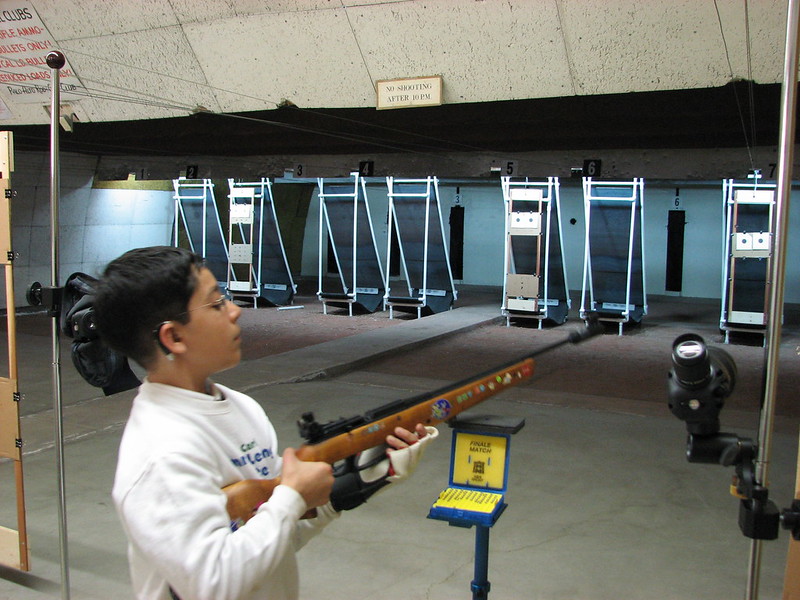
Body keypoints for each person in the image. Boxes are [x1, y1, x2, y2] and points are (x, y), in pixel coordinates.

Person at [93, 246, 437, 600]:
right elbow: (212, 585)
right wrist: (291, 497)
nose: (235, 311)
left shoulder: (240, 407)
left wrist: (362, 479)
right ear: (174, 337)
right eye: (216, 304)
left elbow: (273, 535)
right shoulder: (160, 453)